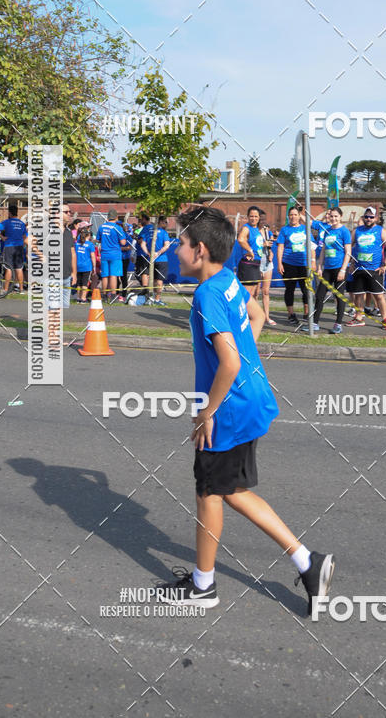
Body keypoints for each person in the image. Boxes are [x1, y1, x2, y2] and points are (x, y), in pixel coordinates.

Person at [157, 205, 335, 613]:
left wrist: (206, 412)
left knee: (208, 491)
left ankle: (203, 587)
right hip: (249, 397)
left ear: (199, 250)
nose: (174, 248)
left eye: (179, 242)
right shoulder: (228, 280)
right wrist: (243, 366)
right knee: (229, 490)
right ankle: (309, 563)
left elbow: (230, 362)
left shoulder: (207, 294)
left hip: (228, 409)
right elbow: (256, 316)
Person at [346, 206, 386, 330]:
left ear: (376, 218)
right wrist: (351, 262)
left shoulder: (381, 231)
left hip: (374, 269)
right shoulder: (356, 231)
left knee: (378, 295)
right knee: (358, 295)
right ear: (363, 218)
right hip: (358, 268)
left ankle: (384, 319)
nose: (368, 219)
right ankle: (359, 318)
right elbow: (348, 246)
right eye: (366, 217)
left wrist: (385, 264)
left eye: (371, 217)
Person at [305, 207, 351, 334]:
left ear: (340, 217)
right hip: (328, 269)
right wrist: (320, 267)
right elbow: (323, 250)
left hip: (339, 269)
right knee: (319, 295)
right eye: (332, 216)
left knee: (339, 296)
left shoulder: (344, 231)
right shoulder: (327, 230)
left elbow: (348, 252)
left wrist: (343, 270)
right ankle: (314, 323)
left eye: (336, 216)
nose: (334, 218)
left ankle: (338, 324)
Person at [276, 206, 316, 324]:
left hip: (304, 264)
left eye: (295, 214)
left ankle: (306, 313)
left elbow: (312, 246)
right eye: (291, 215)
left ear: (299, 216)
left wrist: (313, 261)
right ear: (288, 217)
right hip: (289, 264)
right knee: (290, 289)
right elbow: (280, 247)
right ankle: (291, 314)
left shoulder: (305, 229)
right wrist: (279, 263)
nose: (293, 217)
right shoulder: (284, 230)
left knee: (306, 289)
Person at [136, 213, 170, 305]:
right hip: (161, 259)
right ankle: (157, 299)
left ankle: (148, 296)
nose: (166, 224)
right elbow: (167, 245)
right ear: (161, 222)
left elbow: (142, 243)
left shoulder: (146, 229)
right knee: (159, 280)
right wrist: (158, 253)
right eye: (165, 222)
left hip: (149, 259)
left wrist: (148, 253)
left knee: (147, 275)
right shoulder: (163, 232)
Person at [96, 208, 128, 302]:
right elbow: (123, 242)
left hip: (104, 254)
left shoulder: (102, 227)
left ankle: (105, 295)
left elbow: (98, 240)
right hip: (115, 254)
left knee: (105, 275)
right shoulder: (118, 228)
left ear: (108, 217)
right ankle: (113, 295)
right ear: (116, 217)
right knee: (114, 275)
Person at [0, 203, 28, 294]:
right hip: (19, 247)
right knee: (19, 268)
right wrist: (22, 243)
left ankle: (6, 289)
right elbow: (24, 236)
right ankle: (21, 289)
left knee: (8, 268)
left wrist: (1, 236)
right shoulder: (22, 223)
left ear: (9, 213)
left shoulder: (7, 222)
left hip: (9, 246)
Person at [236, 206, 264, 298]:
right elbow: (240, 239)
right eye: (251, 216)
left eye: (256, 216)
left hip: (256, 263)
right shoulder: (246, 228)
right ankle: (242, 312)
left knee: (254, 294)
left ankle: (249, 312)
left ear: (259, 217)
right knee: (247, 294)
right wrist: (250, 250)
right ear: (248, 217)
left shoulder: (257, 229)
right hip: (248, 264)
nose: (254, 218)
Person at [257, 215, 276, 325]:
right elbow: (254, 246)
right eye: (261, 220)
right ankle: (254, 316)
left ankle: (267, 317)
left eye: (264, 220)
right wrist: (263, 244)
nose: (263, 222)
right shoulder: (255, 232)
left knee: (266, 291)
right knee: (255, 292)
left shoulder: (267, 232)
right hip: (258, 263)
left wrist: (271, 254)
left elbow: (270, 249)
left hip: (268, 264)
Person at [74, 228, 97, 303]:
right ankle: (83, 298)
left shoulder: (77, 243)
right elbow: (93, 256)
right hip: (86, 266)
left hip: (77, 265)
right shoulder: (90, 244)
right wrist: (94, 267)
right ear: (89, 235)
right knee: (85, 282)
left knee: (79, 282)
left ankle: (78, 298)